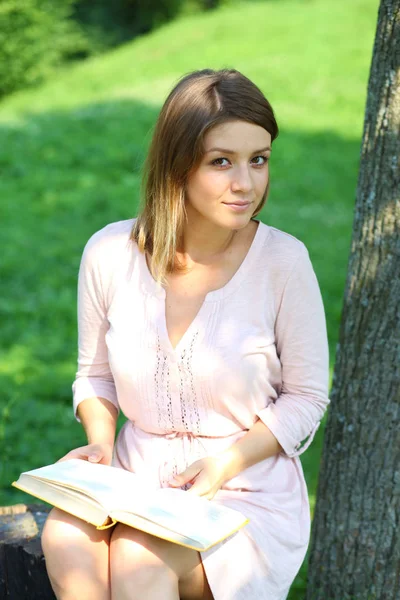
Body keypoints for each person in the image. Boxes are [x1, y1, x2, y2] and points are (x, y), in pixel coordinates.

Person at [41, 68, 330, 600]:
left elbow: (307, 398)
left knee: (136, 558)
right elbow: (94, 376)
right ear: (178, 165)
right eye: (222, 161)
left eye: (258, 159)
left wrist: (226, 463)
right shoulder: (108, 254)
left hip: (243, 488)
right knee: (63, 536)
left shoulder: (283, 262)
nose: (246, 182)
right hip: (134, 478)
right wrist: (101, 446)